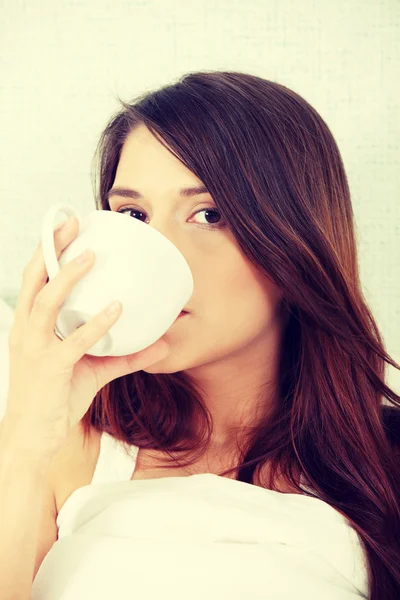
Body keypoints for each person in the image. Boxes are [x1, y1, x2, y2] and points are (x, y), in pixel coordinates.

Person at [0, 70, 399, 600]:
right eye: (134, 215)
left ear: (293, 241)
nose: (156, 251)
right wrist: (27, 432)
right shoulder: (70, 444)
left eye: (208, 214)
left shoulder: (382, 461)